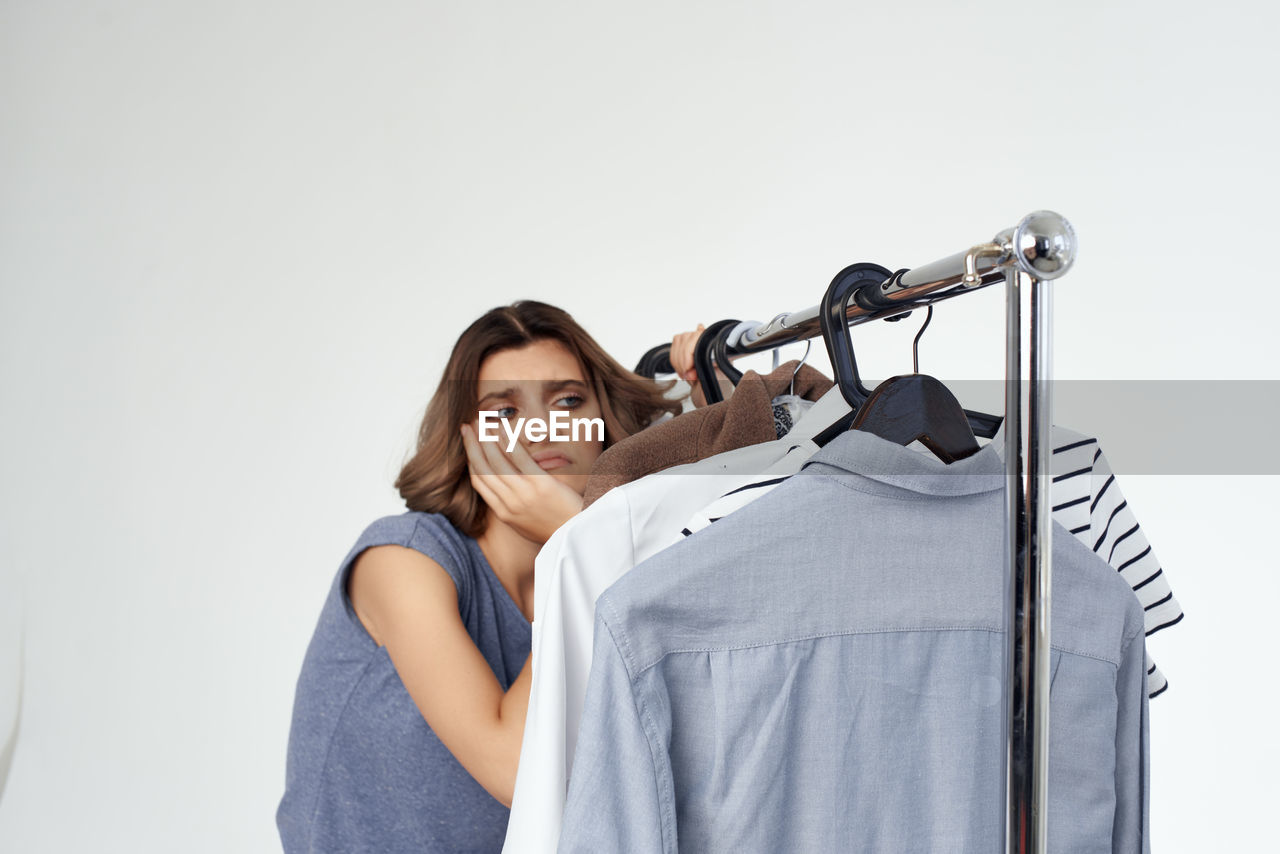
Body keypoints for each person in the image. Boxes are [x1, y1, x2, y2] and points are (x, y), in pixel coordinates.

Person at [277, 301, 685, 854]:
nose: (544, 427)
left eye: (568, 400)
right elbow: (516, 772)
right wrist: (574, 545)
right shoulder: (405, 560)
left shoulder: (616, 563)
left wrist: (711, 381)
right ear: (471, 439)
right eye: (506, 411)